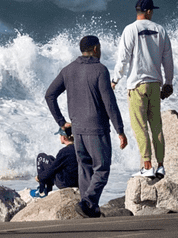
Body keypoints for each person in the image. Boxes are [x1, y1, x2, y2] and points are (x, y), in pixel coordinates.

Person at [45, 35, 128, 218]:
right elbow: (109, 103)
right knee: (102, 168)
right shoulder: (100, 70)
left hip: (78, 130)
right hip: (97, 129)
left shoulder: (68, 70)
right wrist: (120, 130)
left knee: (85, 169)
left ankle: (89, 210)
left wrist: (62, 122)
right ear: (96, 49)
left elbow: (49, 95)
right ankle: (87, 202)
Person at [112, 0, 174, 179]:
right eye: (152, 10)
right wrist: (168, 83)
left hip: (137, 85)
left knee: (140, 127)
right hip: (155, 84)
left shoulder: (130, 30)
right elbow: (168, 59)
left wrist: (115, 79)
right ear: (148, 11)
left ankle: (147, 166)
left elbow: (123, 58)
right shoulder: (160, 30)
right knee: (156, 126)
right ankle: (161, 166)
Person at [30, 126, 79, 198]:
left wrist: (40, 177)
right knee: (50, 158)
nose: (59, 138)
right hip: (77, 182)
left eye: (60, 135)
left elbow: (52, 169)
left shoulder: (64, 152)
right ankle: (47, 190)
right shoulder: (80, 149)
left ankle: (42, 190)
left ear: (64, 137)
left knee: (41, 157)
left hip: (65, 183)